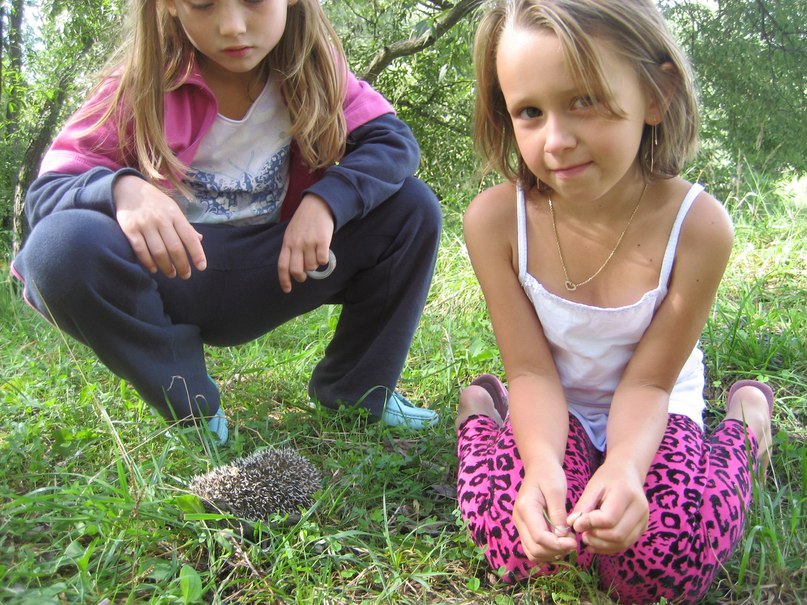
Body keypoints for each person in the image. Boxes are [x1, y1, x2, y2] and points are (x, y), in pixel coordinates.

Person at [11, 0, 443, 446]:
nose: (232, 26)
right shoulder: (137, 87)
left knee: (412, 206)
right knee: (57, 248)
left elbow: (393, 143)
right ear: (170, 6)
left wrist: (326, 203)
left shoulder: (316, 72)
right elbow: (48, 191)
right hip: (171, 275)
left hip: (282, 267)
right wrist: (123, 190)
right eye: (203, 3)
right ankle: (193, 408)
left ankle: (359, 391)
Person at [455, 1, 774, 603]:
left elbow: (649, 386)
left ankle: (745, 425)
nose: (557, 140)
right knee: (520, 549)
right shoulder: (496, 222)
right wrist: (543, 468)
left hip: (656, 404)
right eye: (529, 111)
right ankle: (480, 418)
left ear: (656, 94)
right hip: (551, 401)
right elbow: (530, 369)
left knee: (661, 570)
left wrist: (626, 467)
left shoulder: (698, 227)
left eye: (583, 100)